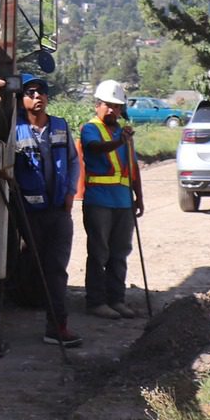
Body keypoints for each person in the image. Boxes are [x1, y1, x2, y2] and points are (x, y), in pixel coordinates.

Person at [11, 76, 81, 348]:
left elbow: (73, 162)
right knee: (31, 266)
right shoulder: (13, 130)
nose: (38, 97)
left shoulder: (60, 126)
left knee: (56, 270)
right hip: (29, 212)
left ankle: (57, 327)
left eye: (42, 92)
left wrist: (70, 193)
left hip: (58, 212)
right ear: (22, 99)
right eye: (31, 92)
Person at [78, 78, 144, 320]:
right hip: (99, 201)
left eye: (116, 106)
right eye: (107, 105)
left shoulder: (122, 132)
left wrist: (139, 197)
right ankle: (96, 301)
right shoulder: (90, 128)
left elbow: (133, 167)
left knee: (120, 253)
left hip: (124, 201)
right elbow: (95, 148)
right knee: (99, 252)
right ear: (97, 105)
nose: (112, 110)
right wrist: (119, 141)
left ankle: (116, 299)